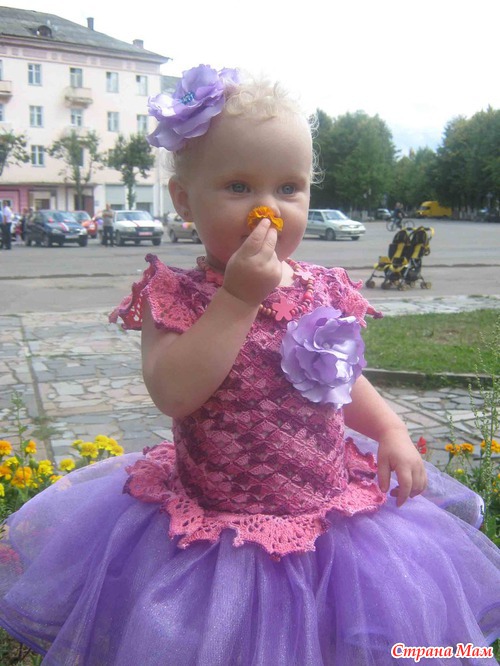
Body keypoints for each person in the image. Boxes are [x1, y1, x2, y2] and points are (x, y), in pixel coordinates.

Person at [0, 66, 498, 665]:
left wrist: (390, 428)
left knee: (331, 636)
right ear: (184, 199)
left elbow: (338, 378)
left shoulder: (319, 288)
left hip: (328, 519)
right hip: (217, 532)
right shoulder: (174, 295)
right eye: (239, 186)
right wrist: (237, 299)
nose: (268, 210)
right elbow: (174, 392)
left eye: (288, 188)